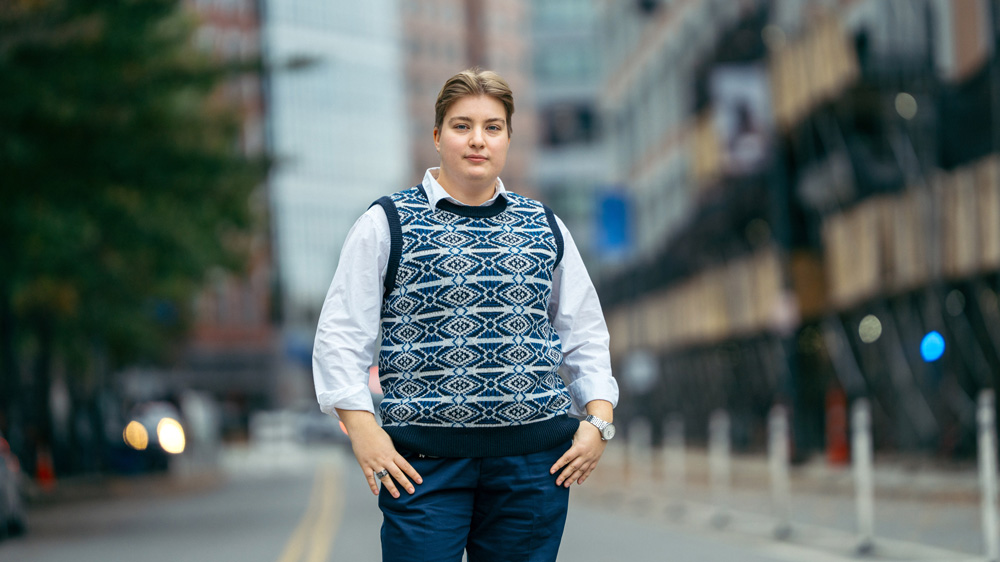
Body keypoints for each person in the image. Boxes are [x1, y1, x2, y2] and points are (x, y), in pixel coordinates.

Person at [312, 68, 619, 562]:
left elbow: (585, 333)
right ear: (437, 136)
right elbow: (340, 335)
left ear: (508, 139)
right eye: (461, 126)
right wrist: (364, 431)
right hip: (423, 464)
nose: (478, 139)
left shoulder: (546, 225)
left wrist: (598, 420)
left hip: (532, 465)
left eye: (492, 127)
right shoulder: (386, 223)